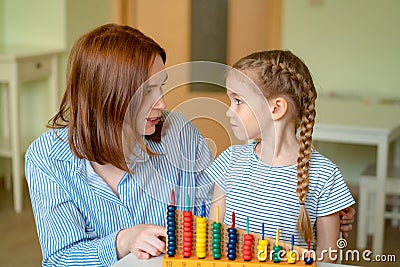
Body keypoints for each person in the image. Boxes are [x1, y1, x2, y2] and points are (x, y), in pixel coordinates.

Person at [25, 23, 213, 266]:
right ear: (106, 95)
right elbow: (60, 259)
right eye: (147, 91)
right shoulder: (48, 156)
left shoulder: (181, 135)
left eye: (161, 86)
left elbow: (217, 224)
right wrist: (122, 242)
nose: (162, 103)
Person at [207, 50, 355, 262]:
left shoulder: (325, 174)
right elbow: (215, 236)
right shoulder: (230, 161)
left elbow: (328, 257)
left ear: (276, 108)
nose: (229, 111)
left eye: (238, 101)